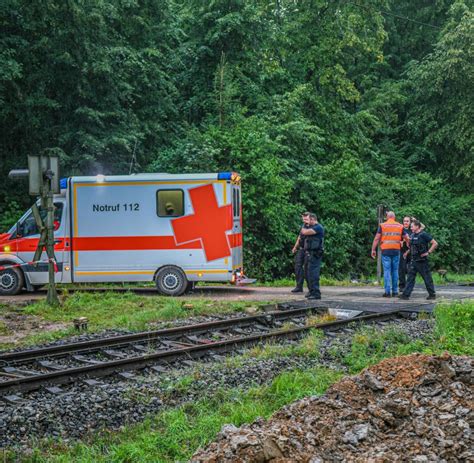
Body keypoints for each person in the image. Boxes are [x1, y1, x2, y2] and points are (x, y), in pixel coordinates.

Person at [371, 211, 409, 297]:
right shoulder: (400, 226)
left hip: (386, 251)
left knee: (387, 271)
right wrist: (408, 243)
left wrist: (373, 249)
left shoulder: (382, 225)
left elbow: (377, 238)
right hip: (396, 251)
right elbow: (406, 237)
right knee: (395, 271)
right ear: (394, 217)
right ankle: (395, 291)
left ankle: (387, 292)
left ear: (387, 217)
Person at [399, 219, 438, 300]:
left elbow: (435, 243)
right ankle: (405, 295)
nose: (411, 228)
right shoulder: (412, 235)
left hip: (422, 261)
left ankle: (432, 294)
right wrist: (407, 252)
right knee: (410, 278)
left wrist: (428, 252)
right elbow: (412, 247)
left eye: (412, 226)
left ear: (417, 226)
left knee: (427, 278)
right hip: (413, 261)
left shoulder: (423, 235)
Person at [300, 213, 324, 300]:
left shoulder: (318, 227)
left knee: (313, 274)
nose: (307, 222)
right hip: (309, 254)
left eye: (308, 220)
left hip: (315, 254)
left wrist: (304, 224)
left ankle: (316, 293)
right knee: (307, 273)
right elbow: (302, 236)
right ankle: (311, 291)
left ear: (313, 219)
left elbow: (304, 232)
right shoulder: (311, 227)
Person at [291, 212, 310, 293]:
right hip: (301, 249)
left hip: (309, 250)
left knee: (307, 268)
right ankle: (299, 286)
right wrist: (295, 247)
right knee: (297, 266)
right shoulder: (303, 226)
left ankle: (311, 288)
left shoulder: (313, 226)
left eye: (306, 218)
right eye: (303, 218)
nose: (304, 220)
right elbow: (299, 237)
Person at [398, 216, 411, 292]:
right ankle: (402, 286)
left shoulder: (412, 230)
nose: (405, 222)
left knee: (410, 269)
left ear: (410, 222)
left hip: (410, 251)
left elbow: (422, 227)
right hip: (402, 251)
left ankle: (409, 285)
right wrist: (401, 242)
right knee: (402, 269)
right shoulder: (400, 229)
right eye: (404, 221)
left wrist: (414, 220)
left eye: (407, 221)